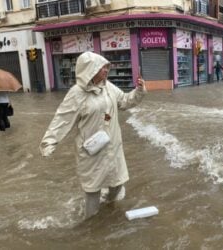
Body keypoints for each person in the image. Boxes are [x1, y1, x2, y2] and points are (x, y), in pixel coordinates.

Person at [40, 52, 146, 219]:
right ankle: (91, 224)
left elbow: (125, 101)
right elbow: (62, 118)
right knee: (93, 189)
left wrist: (139, 91)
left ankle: (109, 209)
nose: (106, 70)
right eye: (101, 67)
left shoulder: (108, 87)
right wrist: (49, 141)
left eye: (106, 66)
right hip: (92, 150)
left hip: (112, 145)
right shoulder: (77, 93)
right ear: (90, 70)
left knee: (117, 183)